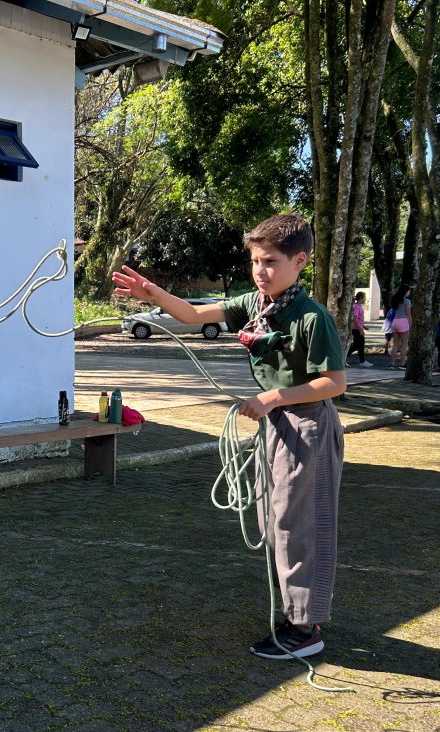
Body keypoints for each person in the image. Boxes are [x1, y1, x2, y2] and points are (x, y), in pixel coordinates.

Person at [111, 214, 346, 658]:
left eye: (271, 261)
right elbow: (194, 314)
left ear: (299, 262)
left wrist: (274, 397)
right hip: (275, 423)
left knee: (299, 526)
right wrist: (152, 293)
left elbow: (334, 383)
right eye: (256, 261)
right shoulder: (257, 304)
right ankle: (295, 613)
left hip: (308, 423)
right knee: (271, 520)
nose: (261, 270)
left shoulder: (313, 317)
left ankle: (306, 627)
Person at [386, 283, 411, 369]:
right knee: (404, 344)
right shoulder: (407, 301)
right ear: (406, 291)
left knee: (395, 344)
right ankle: (402, 364)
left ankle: (392, 364)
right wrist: (410, 324)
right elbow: (408, 314)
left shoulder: (394, 299)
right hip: (403, 321)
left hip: (395, 322)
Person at [346, 291, 373, 367]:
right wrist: (360, 329)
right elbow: (355, 319)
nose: (365, 299)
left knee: (360, 345)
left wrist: (363, 326)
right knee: (356, 345)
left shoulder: (359, 306)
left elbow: (359, 319)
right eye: (364, 298)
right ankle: (343, 359)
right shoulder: (357, 307)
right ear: (360, 298)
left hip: (358, 328)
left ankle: (362, 361)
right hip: (356, 329)